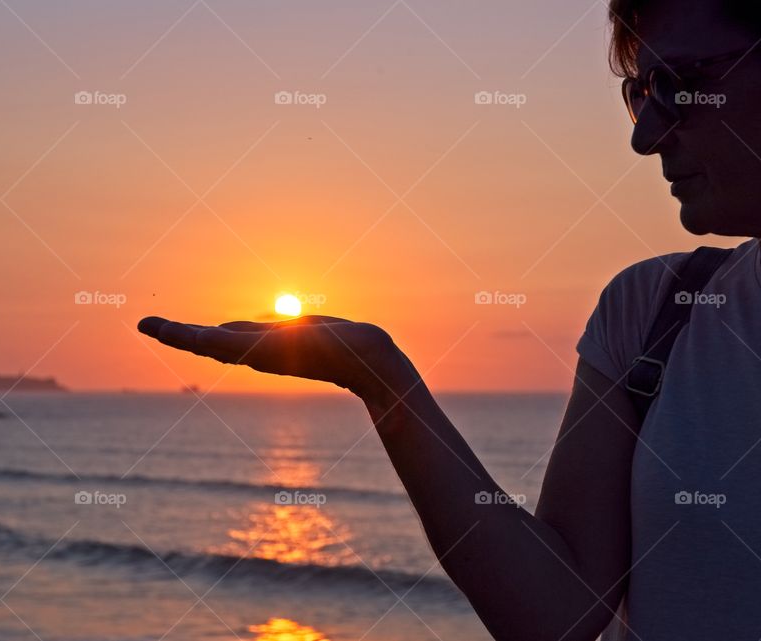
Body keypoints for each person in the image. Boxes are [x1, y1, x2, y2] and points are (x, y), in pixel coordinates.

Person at [139, 1, 761, 638]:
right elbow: (554, 615)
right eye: (640, 93)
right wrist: (385, 385)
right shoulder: (655, 312)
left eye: (680, 85)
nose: (645, 135)